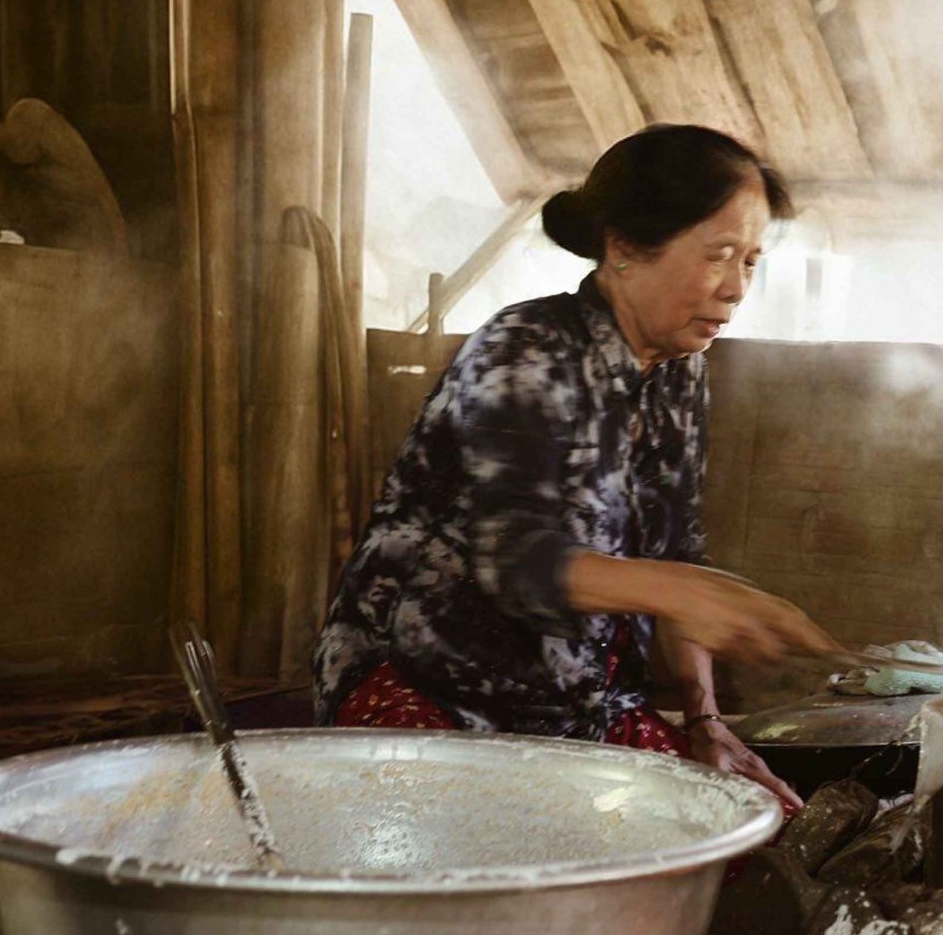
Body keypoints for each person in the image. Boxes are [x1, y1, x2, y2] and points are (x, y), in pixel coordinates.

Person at [313, 124, 834, 808]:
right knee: (505, 856)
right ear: (623, 249)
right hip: (430, 692)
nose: (737, 288)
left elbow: (676, 553)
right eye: (719, 255)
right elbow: (518, 562)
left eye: (751, 261)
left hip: (575, 709)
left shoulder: (679, 375)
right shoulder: (525, 349)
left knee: (748, 826)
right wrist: (679, 590)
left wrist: (705, 719)